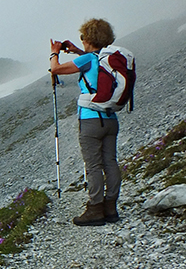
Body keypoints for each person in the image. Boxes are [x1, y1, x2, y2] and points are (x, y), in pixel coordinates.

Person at [49, 18, 123, 226]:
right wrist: (75, 51)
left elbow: (56, 69)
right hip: (110, 119)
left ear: (89, 38)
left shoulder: (88, 58)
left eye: (83, 37)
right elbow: (90, 62)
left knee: (93, 165)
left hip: (90, 120)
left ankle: (95, 209)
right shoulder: (105, 58)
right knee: (110, 161)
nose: (81, 41)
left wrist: (55, 52)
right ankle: (111, 207)